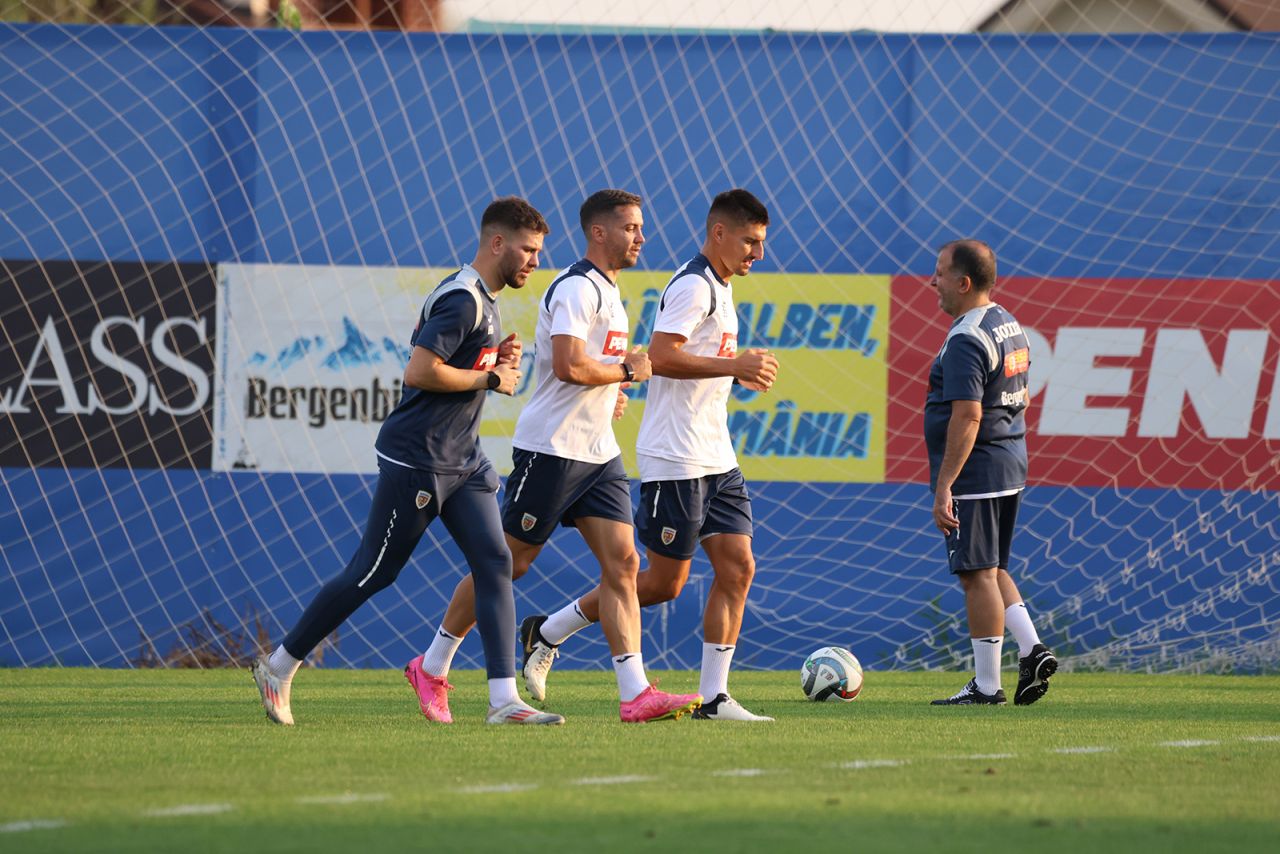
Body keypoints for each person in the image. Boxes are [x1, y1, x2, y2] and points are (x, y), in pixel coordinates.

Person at [252, 196, 564, 726]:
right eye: (528, 249)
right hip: (418, 459)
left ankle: (502, 701)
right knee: (373, 573)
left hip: (462, 460)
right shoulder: (464, 299)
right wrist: (489, 377)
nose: (535, 260)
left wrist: (491, 359)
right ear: (496, 243)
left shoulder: (482, 299)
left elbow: (450, 365)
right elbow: (419, 371)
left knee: (495, 564)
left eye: (538, 251)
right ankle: (279, 666)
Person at [410, 189, 702, 723]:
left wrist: (611, 387)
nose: (642, 237)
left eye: (640, 228)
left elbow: (591, 369)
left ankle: (635, 694)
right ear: (599, 233)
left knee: (624, 563)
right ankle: (432, 666)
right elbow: (568, 365)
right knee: (510, 564)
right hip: (551, 450)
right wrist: (625, 372)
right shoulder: (576, 288)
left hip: (598, 456)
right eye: (631, 228)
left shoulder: (612, 293)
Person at [520, 189, 779, 722]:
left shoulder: (723, 287)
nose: (757, 253)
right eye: (750, 242)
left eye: (761, 243)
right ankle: (548, 630)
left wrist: (732, 371)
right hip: (675, 458)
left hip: (717, 455)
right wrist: (734, 367)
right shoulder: (692, 285)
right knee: (662, 584)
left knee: (738, 566)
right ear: (719, 234)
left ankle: (714, 698)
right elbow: (660, 356)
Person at [923, 239, 1057, 706]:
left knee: (976, 574)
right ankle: (1032, 648)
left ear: (963, 282)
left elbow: (968, 415)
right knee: (994, 567)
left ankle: (986, 685)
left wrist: (945, 485)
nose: (932, 281)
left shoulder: (966, 337)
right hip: (1010, 461)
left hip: (977, 470)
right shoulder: (1007, 322)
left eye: (939, 273)